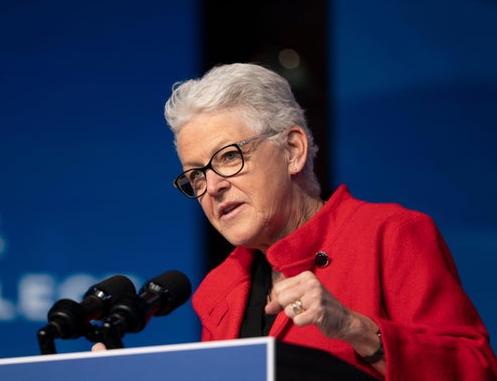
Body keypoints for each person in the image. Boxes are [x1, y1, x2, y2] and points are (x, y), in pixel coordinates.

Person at [162, 63, 497, 380]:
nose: (213, 187)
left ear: (292, 150)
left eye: (229, 156)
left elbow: (476, 371)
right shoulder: (219, 291)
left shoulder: (390, 234)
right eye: (196, 175)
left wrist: (355, 328)